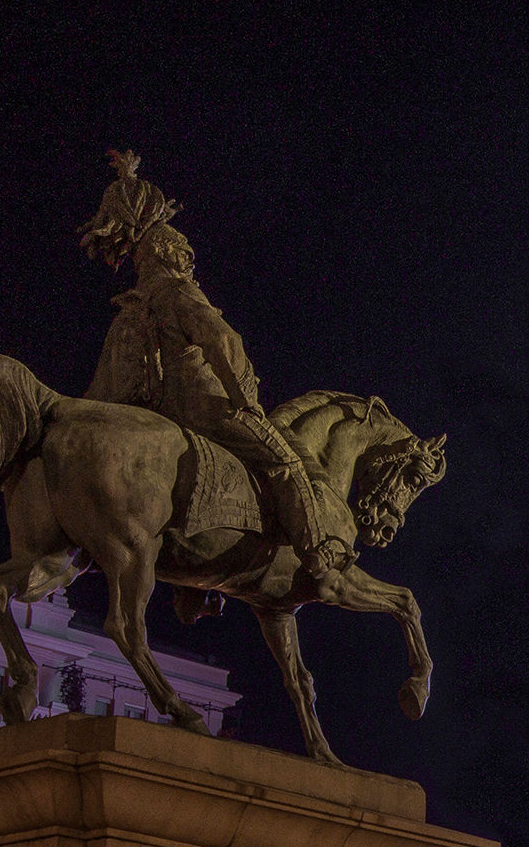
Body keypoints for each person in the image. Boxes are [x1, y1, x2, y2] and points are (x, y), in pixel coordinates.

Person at [77, 150, 348, 574]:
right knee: (286, 460)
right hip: (207, 409)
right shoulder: (178, 292)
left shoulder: (129, 310)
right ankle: (318, 550)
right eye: (185, 253)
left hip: (155, 410)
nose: (190, 261)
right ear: (169, 252)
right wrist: (246, 399)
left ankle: (196, 593)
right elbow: (223, 340)